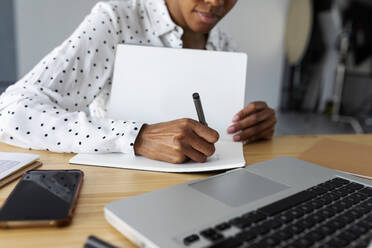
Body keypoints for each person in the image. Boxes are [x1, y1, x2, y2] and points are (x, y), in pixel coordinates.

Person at [0, 0, 277, 164]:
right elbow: (10, 112)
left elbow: (214, 136)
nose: (217, 2)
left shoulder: (224, 44)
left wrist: (250, 127)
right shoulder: (115, 20)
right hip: (120, 190)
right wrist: (137, 136)